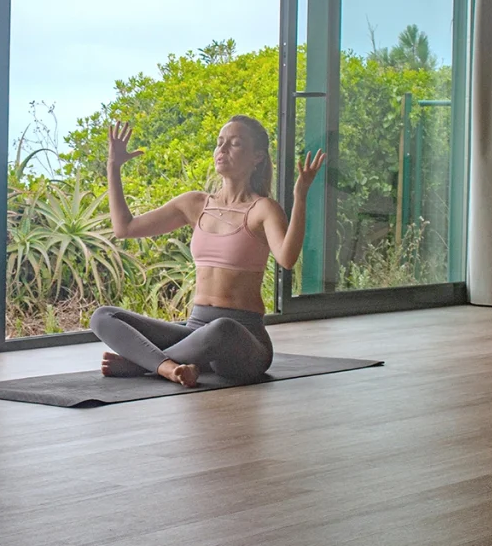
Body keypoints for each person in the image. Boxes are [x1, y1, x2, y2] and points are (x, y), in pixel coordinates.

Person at [90, 115, 326, 388]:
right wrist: (113, 167)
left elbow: (287, 258)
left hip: (242, 341)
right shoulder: (195, 204)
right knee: (103, 316)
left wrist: (300, 197)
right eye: (219, 142)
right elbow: (125, 228)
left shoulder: (263, 209)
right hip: (194, 332)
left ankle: (143, 364)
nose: (222, 150)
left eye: (235, 144)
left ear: (257, 157)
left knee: (221, 328)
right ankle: (167, 366)